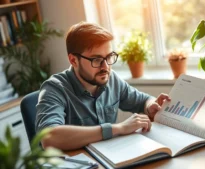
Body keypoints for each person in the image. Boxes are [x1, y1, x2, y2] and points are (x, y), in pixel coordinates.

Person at [35, 22, 171, 150]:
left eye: (109, 57)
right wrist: (118, 128)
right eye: (97, 59)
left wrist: (151, 106)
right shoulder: (54, 88)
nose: (105, 67)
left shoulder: (111, 79)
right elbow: (48, 137)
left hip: (111, 158)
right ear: (73, 60)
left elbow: (143, 100)